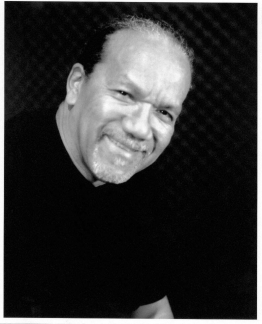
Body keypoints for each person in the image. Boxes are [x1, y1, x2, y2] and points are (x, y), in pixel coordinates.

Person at [5, 16, 193, 318]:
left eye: (163, 112)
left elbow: (152, 309)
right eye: (124, 94)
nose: (141, 129)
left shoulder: (145, 187)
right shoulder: (10, 167)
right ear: (77, 85)